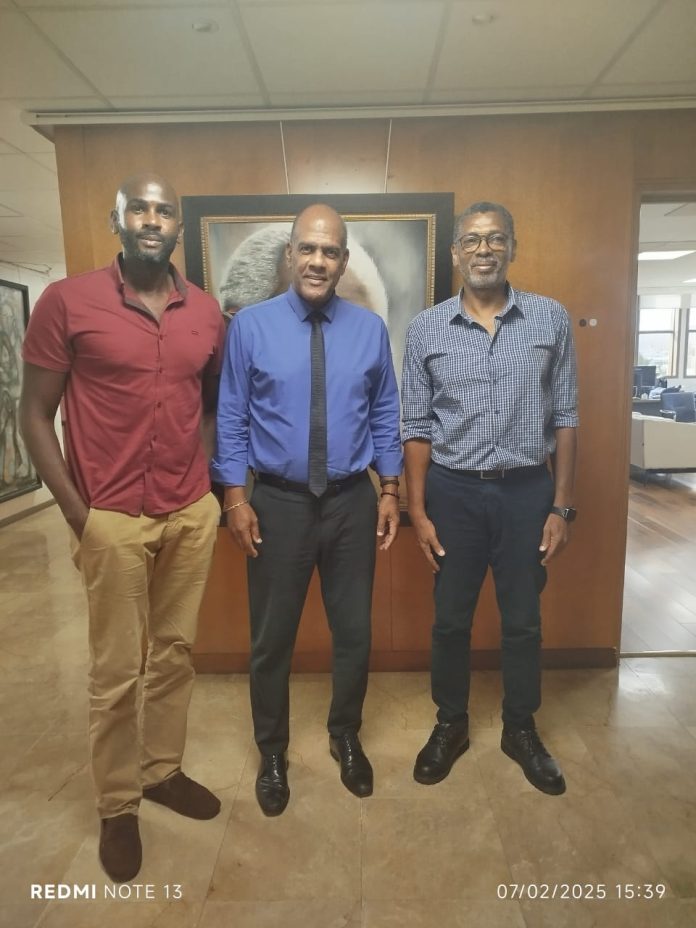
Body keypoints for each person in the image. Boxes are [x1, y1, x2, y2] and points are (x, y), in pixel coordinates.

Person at [19, 174, 226, 882]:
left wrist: (201, 482)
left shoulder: (204, 311)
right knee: (115, 673)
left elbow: (209, 401)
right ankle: (117, 804)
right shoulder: (66, 301)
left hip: (190, 512)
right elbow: (32, 415)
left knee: (174, 653)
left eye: (164, 209)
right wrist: (79, 514)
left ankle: (162, 770)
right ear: (119, 219)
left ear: (177, 224)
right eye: (139, 206)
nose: (152, 218)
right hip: (109, 516)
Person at [211, 203, 402, 815]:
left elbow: (384, 414)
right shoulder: (251, 327)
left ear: (343, 261)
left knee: (354, 634)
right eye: (309, 249)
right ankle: (272, 750)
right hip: (277, 505)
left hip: (351, 501)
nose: (319, 260)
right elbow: (233, 418)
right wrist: (235, 497)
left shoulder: (368, 330)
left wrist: (391, 489)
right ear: (290, 254)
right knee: (272, 640)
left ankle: (345, 735)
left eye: (331, 251)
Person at [401, 201, 578, 796]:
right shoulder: (426, 328)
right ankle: (450, 723)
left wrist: (560, 505)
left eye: (495, 238)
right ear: (455, 253)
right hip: (452, 494)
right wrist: (419, 511)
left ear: (512, 249)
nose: (484, 249)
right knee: (450, 621)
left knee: (523, 623)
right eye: (472, 240)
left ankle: (519, 729)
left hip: (528, 491)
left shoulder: (550, 319)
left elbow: (569, 417)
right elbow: (416, 425)